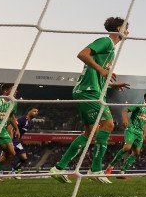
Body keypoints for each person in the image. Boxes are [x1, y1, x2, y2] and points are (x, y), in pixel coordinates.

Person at [50, 17, 130, 184]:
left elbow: (96, 72)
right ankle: (95, 169)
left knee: (90, 133)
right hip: (89, 92)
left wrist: (111, 85)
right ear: (118, 28)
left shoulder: (110, 50)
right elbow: (82, 54)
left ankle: (59, 168)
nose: (128, 32)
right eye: (126, 28)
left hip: (92, 91)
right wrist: (102, 70)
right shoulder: (106, 42)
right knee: (108, 124)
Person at [106, 91, 146, 178]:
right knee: (127, 148)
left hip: (140, 133)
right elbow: (125, 110)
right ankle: (110, 167)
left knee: (136, 153)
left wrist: (144, 133)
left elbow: (145, 123)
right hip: (132, 129)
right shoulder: (140, 104)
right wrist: (125, 120)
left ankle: (122, 172)